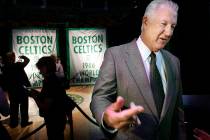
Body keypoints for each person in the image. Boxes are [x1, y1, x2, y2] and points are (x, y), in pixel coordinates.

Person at [90, 0, 186, 140]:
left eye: (173, 26)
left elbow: (178, 113)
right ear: (145, 21)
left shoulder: (174, 62)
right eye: (164, 24)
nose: (169, 32)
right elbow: (100, 98)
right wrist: (107, 118)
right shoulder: (115, 55)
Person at [35, 56, 67, 140]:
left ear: (45, 68)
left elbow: (45, 106)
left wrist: (34, 96)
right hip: (59, 118)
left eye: (40, 69)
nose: (40, 72)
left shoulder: (50, 82)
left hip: (54, 120)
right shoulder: (54, 79)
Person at [3, 52, 32, 128]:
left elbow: (5, 81)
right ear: (13, 57)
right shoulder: (17, 65)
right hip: (21, 89)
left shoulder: (5, 67)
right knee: (24, 106)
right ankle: (24, 122)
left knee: (13, 107)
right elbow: (27, 60)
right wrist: (22, 57)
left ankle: (13, 123)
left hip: (12, 91)